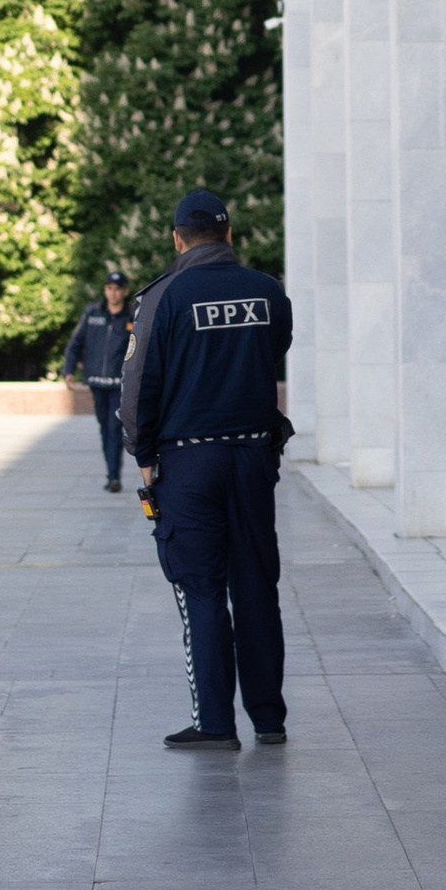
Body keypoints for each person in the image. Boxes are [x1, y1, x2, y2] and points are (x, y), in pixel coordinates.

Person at [121, 188, 293, 749]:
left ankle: (214, 723)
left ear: (176, 239)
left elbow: (140, 384)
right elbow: (277, 347)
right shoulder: (267, 291)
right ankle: (268, 718)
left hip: (189, 462)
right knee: (256, 587)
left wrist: (143, 455)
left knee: (200, 588)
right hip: (251, 457)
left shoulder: (163, 297)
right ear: (229, 234)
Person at [60, 269, 133, 488]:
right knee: (104, 427)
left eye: (117, 289)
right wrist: (69, 371)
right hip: (96, 382)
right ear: (105, 290)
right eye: (109, 289)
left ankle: (113, 477)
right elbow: (75, 344)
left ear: (125, 291)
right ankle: (111, 473)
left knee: (113, 427)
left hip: (119, 384)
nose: (113, 294)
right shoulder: (93, 314)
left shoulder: (132, 316)